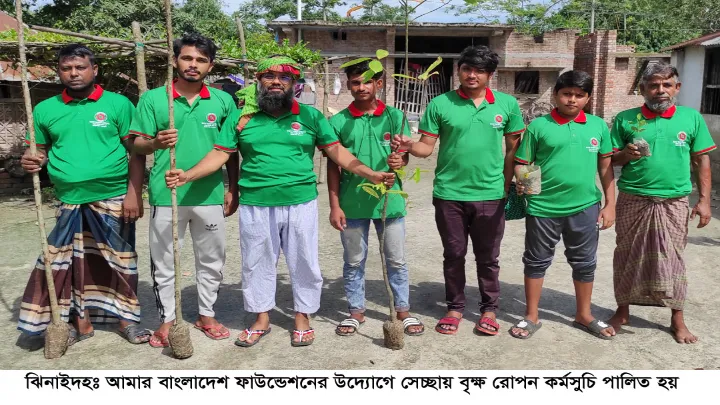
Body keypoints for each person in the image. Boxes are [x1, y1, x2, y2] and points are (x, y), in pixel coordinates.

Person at [164, 56, 395, 347]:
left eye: (284, 78)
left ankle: (302, 316)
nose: (276, 81)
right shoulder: (241, 118)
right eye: (269, 76)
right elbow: (220, 154)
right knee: (256, 261)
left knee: (304, 260)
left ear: (294, 84)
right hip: (256, 201)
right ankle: (261, 318)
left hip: (300, 201)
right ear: (258, 81)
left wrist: (369, 172)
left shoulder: (310, 117)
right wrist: (188, 175)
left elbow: (337, 153)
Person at [17, 44, 152, 345]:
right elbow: (36, 150)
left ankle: (126, 320)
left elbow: (137, 153)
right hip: (69, 200)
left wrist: (135, 194)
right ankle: (82, 323)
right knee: (73, 264)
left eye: (80, 67)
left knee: (121, 261)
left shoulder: (118, 104)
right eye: (67, 68)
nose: (73, 73)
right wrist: (30, 159)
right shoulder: (44, 109)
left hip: (114, 196)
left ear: (95, 70)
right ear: (59, 72)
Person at [391, 45, 525, 336]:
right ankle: (454, 308)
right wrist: (408, 144)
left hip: (491, 193)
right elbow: (426, 148)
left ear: (490, 75)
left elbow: (514, 149)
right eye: (466, 69)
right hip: (449, 193)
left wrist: (507, 185)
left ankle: (489, 309)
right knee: (454, 253)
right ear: (459, 71)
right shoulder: (440, 104)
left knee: (488, 257)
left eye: (479, 70)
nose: (472, 75)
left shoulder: (507, 105)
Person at [128, 33, 239, 348]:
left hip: (209, 196)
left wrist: (232, 188)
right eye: (187, 58)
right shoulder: (153, 99)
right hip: (167, 196)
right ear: (175, 60)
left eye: (201, 60)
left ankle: (206, 314)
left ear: (210, 65)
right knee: (164, 260)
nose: (193, 65)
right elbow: (136, 144)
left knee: (212, 259)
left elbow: (228, 150)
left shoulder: (223, 100)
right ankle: (168, 320)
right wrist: (155, 142)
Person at [608, 62, 715, 344]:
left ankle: (677, 318)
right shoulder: (626, 119)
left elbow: (701, 159)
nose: (660, 91)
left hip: (674, 200)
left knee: (674, 260)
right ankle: (622, 311)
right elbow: (610, 159)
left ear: (676, 88)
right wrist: (626, 156)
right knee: (627, 255)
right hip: (633, 197)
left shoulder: (690, 118)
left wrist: (704, 201)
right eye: (654, 85)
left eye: (667, 85)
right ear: (642, 89)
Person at [510, 70, 617, 340]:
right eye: (567, 94)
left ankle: (584, 314)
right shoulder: (538, 126)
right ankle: (532, 316)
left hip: (585, 206)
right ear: (556, 95)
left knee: (584, 263)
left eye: (579, 95)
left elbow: (605, 167)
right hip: (543, 208)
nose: (572, 100)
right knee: (536, 261)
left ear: (588, 98)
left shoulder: (598, 126)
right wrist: (529, 195)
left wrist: (609, 204)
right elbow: (524, 163)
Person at [328, 61, 424, 337]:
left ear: (379, 84)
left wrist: (400, 159)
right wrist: (335, 205)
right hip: (352, 202)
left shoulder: (395, 117)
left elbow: (404, 154)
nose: (361, 87)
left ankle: (403, 310)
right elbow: (334, 166)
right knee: (354, 260)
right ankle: (356, 311)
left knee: (396, 259)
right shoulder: (338, 122)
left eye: (367, 82)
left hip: (389, 202)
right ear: (348, 85)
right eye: (355, 82)